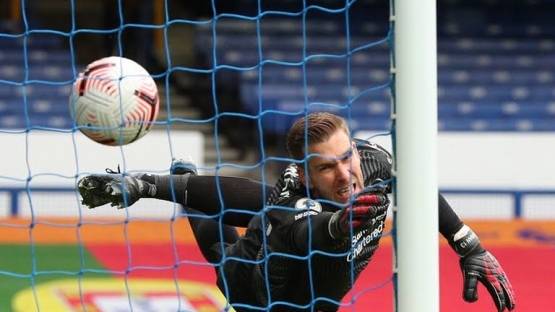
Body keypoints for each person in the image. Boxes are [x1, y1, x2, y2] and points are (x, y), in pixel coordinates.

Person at [77, 112, 515, 312]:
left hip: (311, 283)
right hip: (256, 291)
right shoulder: (293, 210)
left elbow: (415, 181)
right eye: (328, 167)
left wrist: (466, 243)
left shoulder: (373, 162)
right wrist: (341, 223)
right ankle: (184, 186)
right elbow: (313, 235)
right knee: (223, 255)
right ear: (305, 175)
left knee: (257, 204)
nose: (346, 174)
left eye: (348, 157)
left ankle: (176, 183)